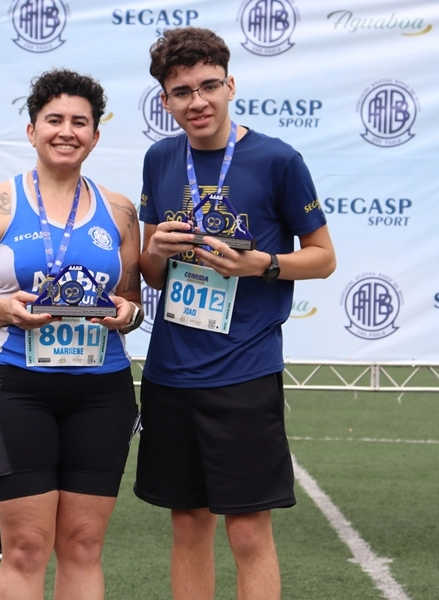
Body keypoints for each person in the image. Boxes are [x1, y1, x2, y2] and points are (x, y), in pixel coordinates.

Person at [134, 27, 337, 600]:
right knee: (187, 527)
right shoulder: (159, 159)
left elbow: (323, 258)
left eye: (208, 86)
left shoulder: (277, 159)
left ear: (230, 84)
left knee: (248, 534)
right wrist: (157, 251)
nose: (196, 101)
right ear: (165, 101)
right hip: (171, 371)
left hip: (244, 370)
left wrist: (262, 266)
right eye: (180, 92)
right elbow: (153, 274)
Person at [0, 68, 143, 600]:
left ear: (96, 136)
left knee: (82, 546)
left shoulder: (120, 212)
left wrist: (126, 313)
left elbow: (132, 304)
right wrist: (1, 309)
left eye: (80, 122)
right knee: (26, 546)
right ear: (32, 131)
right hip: (15, 387)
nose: (66, 131)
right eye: (54, 120)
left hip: (102, 390)